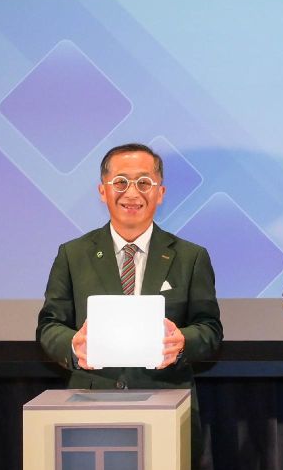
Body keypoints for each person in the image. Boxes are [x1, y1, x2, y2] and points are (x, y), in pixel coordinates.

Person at [36, 142, 222, 390]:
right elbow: (49, 325)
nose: (132, 194)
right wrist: (74, 344)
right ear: (103, 191)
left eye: (144, 183)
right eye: (121, 182)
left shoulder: (191, 257)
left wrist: (182, 342)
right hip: (91, 398)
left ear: (160, 193)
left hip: (167, 398)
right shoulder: (72, 254)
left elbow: (209, 328)